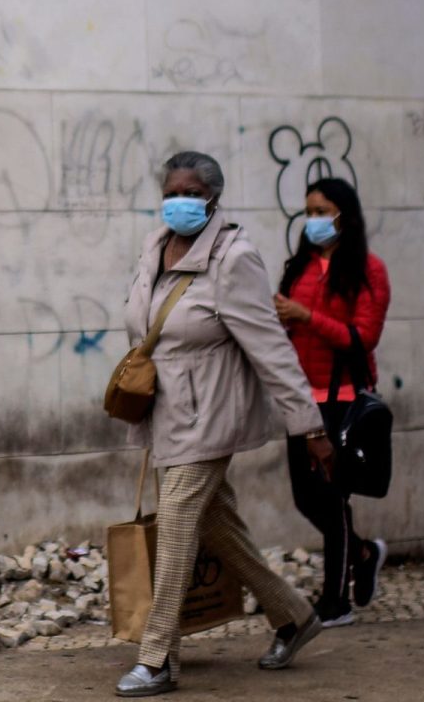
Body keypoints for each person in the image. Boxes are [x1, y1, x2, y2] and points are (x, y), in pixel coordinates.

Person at [115, 151, 331, 698]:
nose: (177, 201)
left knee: (180, 519)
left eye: (188, 191)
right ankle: (293, 615)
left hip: (212, 414)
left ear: (212, 196)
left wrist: (309, 424)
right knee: (216, 523)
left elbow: (271, 349)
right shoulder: (154, 244)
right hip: (167, 410)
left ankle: (158, 656)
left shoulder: (235, 258)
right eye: (170, 191)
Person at [273, 177, 392, 627]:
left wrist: (307, 317)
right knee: (308, 498)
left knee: (333, 495)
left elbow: (363, 337)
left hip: (342, 399)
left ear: (345, 214)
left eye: (323, 211)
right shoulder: (300, 266)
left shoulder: (369, 269)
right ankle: (364, 553)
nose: (314, 220)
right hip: (301, 399)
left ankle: (335, 600)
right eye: (309, 212)